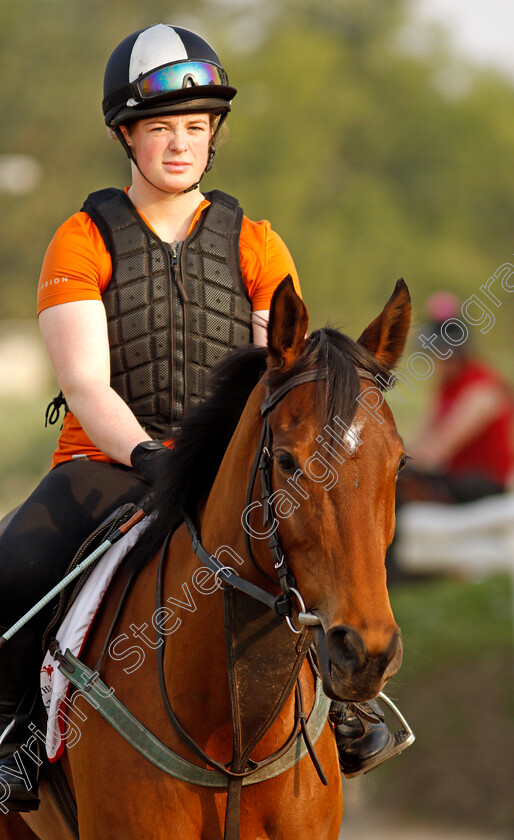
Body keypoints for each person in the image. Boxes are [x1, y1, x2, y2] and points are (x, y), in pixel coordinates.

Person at [0, 24, 401, 811]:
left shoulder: (258, 244)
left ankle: (347, 703)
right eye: (161, 129)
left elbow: (276, 378)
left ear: (213, 136)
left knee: (324, 528)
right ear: (128, 135)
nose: (179, 144)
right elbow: (84, 381)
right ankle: (16, 735)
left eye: (195, 128)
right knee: (13, 566)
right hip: (110, 465)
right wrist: (149, 455)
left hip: (234, 466)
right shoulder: (80, 240)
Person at [388, 291, 514, 579]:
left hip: (483, 481)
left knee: (400, 492)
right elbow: (424, 438)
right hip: (457, 476)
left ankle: (395, 574)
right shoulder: (447, 388)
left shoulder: (482, 390)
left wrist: (403, 462)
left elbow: (439, 448)